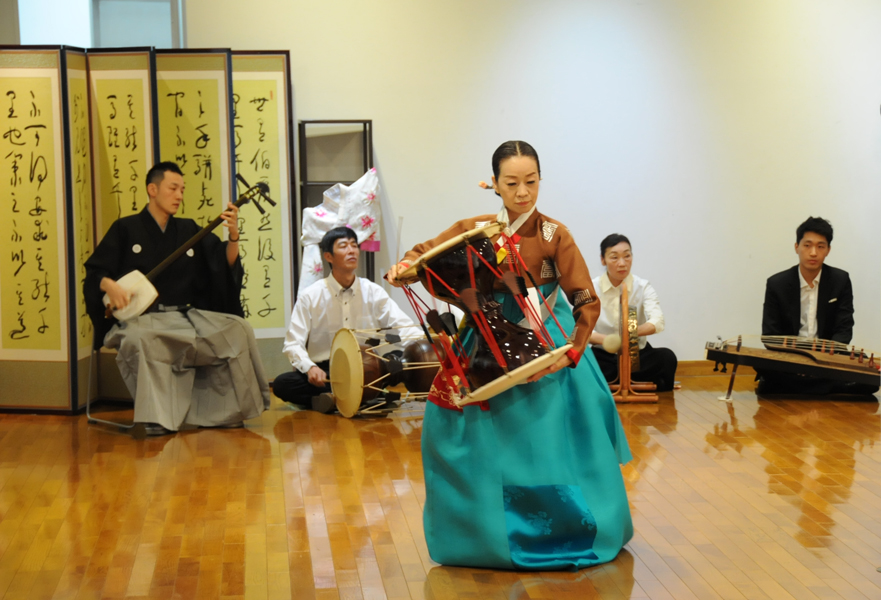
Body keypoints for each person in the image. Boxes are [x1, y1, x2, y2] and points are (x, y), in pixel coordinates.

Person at [386, 141, 633, 571]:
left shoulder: (554, 234)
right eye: (512, 183)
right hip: (487, 335)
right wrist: (402, 266)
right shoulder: (476, 227)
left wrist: (572, 351)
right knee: (451, 426)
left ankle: (570, 529)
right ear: (494, 185)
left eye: (531, 182)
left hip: (550, 340)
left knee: (566, 428)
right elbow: (422, 255)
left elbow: (585, 300)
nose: (523, 192)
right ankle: (479, 536)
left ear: (541, 180)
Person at [84, 162, 270, 436]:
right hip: (146, 319)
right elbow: (95, 273)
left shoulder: (188, 230)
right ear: (152, 189)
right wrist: (108, 284)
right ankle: (157, 418)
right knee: (140, 340)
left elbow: (221, 266)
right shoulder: (125, 229)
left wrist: (233, 236)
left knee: (238, 330)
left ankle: (225, 413)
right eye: (173, 188)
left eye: (182, 189)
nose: (179, 195)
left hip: (188, 316)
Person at [273, 226, 422, 412]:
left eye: (354, 245)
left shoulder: (372, 291)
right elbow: (292, 343)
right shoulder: (310, 296)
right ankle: (367, 397)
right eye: (343, 246)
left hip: (368, 369)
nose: (351, 250)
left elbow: (404, 326)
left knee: (400, 361)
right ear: (328, 256)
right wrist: (310, 368)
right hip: (329, 371)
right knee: (282, 384)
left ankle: (333, 400)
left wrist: (426, 344)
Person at [759, 216, 876, 395]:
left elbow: (844, 328)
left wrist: (822, 359)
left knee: (871, 378)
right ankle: (827, 387)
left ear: (828, 250)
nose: (813, 252)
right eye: (807, 245)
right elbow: (770, 333)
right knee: (763, 365)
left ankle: (794, 387)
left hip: (827, 359)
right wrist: (798, 360)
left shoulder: (840, 280)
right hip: (790, 360)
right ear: (796, 247)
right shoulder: (777, 283)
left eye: (820, 246)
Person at [589, 234, 678, 391]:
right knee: (581, 362)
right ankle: (629, 383)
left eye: (627, 256)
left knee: (667, 358)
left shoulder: (642, 286)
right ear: (603, 260)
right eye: (614, 257)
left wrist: (630, 334)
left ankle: (615, 384)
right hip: (605, 355)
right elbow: (582, 328)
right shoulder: (591, 288)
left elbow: (657, 322)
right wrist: (609, 341)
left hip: (637, 356)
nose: (622, 263)